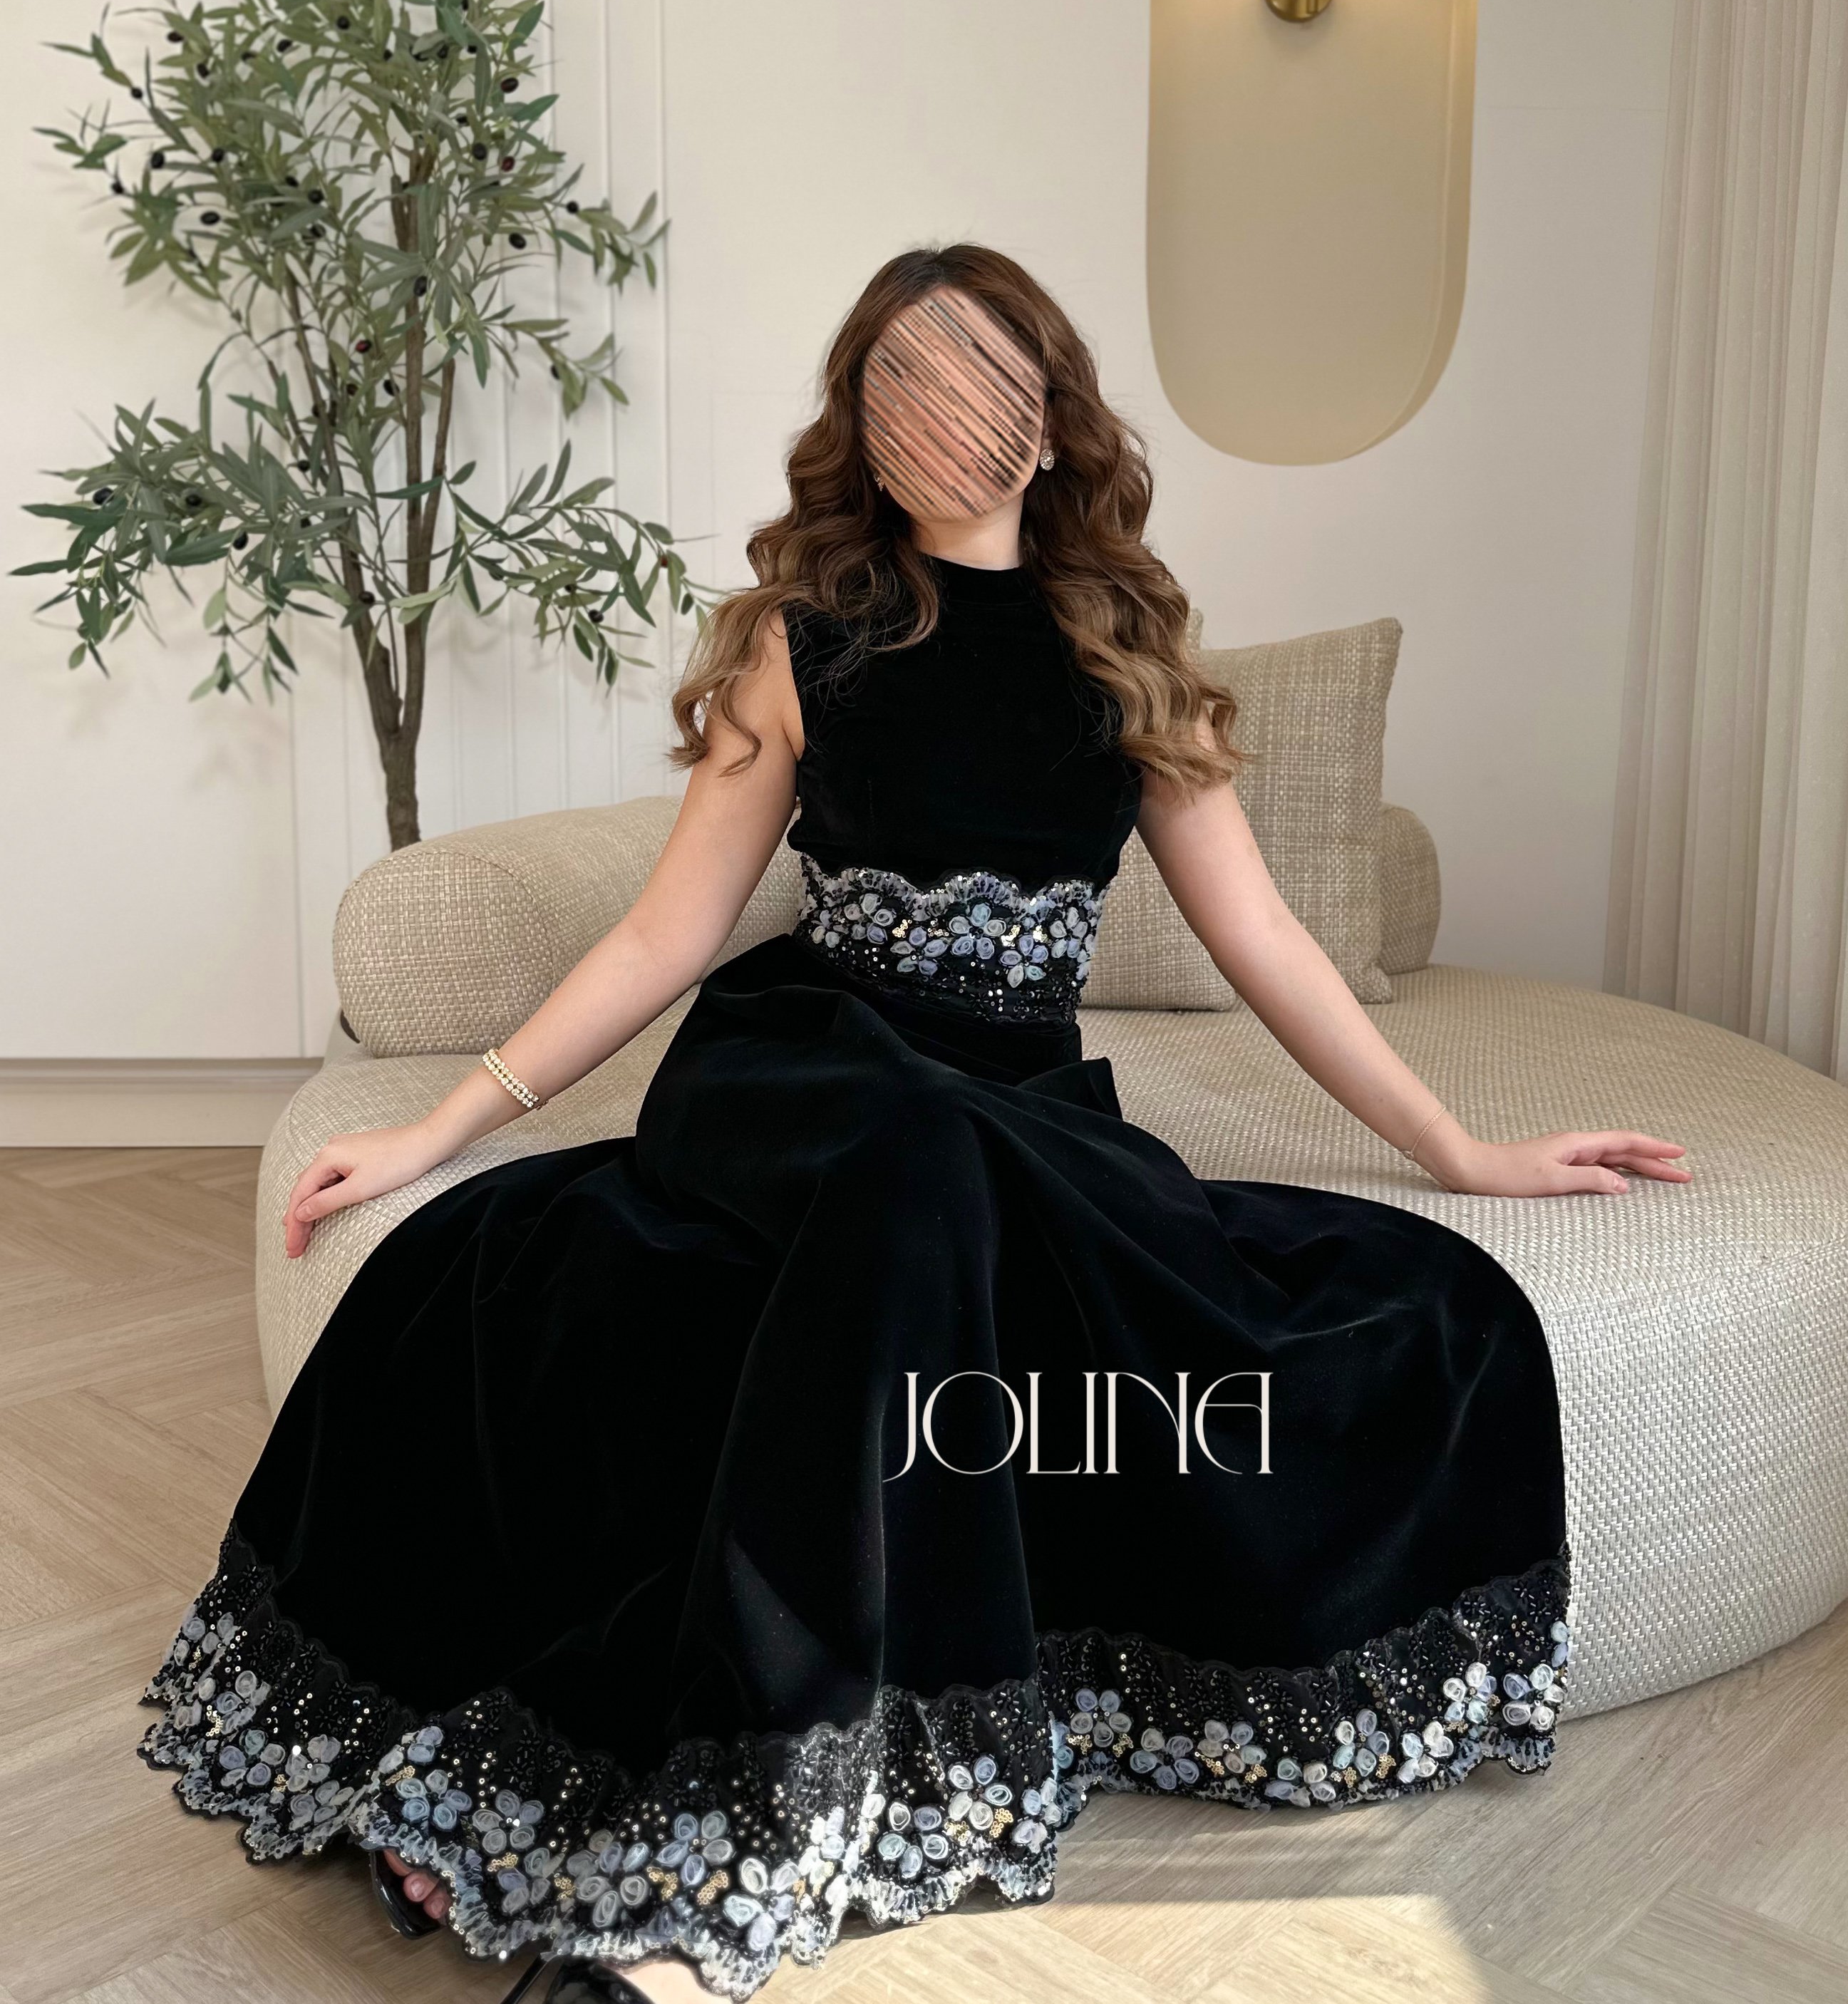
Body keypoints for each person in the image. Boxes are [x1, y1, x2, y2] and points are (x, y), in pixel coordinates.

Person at [138, 244, 1689, 2004]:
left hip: (1002, 1118)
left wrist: (1461, 1152)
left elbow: (1266, 942)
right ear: (866, 429)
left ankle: (684, 1808)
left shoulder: (1128, 658)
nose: (949, 420)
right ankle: (717, 1851)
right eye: (909, 387)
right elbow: (663, 934)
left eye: (984, 383)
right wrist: (440, 1126)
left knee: (1387, 1297)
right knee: (656, 1217)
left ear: (1051, 416)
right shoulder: (805, 642)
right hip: (806, 1077)